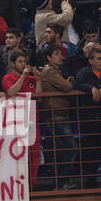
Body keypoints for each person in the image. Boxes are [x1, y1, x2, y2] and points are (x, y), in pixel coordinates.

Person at [40, 43, 79, 190]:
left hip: (58, 115)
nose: (60, 56)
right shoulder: (50, 71)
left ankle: (61, 183)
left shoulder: (54, 70)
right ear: (49, 57)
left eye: (60, 54)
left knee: (62, 151)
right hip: (56, 116)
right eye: (56, 54)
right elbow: (67, 87)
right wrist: (68, 82)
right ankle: (62, 182)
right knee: (71, 148)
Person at [1, 52, 42, 188]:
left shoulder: (31, 78)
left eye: (24, 61)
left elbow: (40, 97)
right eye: (20, 61)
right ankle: (18, 186)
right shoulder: (8, 77)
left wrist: (39, 80)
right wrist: (24, 76)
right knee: (18, 154)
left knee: (34, 154)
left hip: (32, 120)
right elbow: (11, 92)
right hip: (15, 122)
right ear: (12, 64)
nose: (23, 64)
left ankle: (33, 185)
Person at [74, 47, 101, 188]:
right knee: (90, 150)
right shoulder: (83, 73)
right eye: (98, 58)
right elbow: (77, 84)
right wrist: (91, 88)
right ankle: (91, 181)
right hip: (89, 117)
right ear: (90, 61)